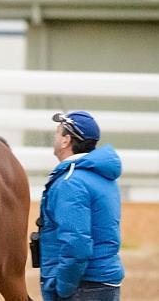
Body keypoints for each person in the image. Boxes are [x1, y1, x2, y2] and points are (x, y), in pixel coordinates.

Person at [38, 111, 125, 300]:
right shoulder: (102, 177)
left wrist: (63, 288)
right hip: (103, 282)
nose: (55, 137)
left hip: (83, 285)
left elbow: (76, 242)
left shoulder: (71, 182)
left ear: (66, 140)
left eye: (57, 133)